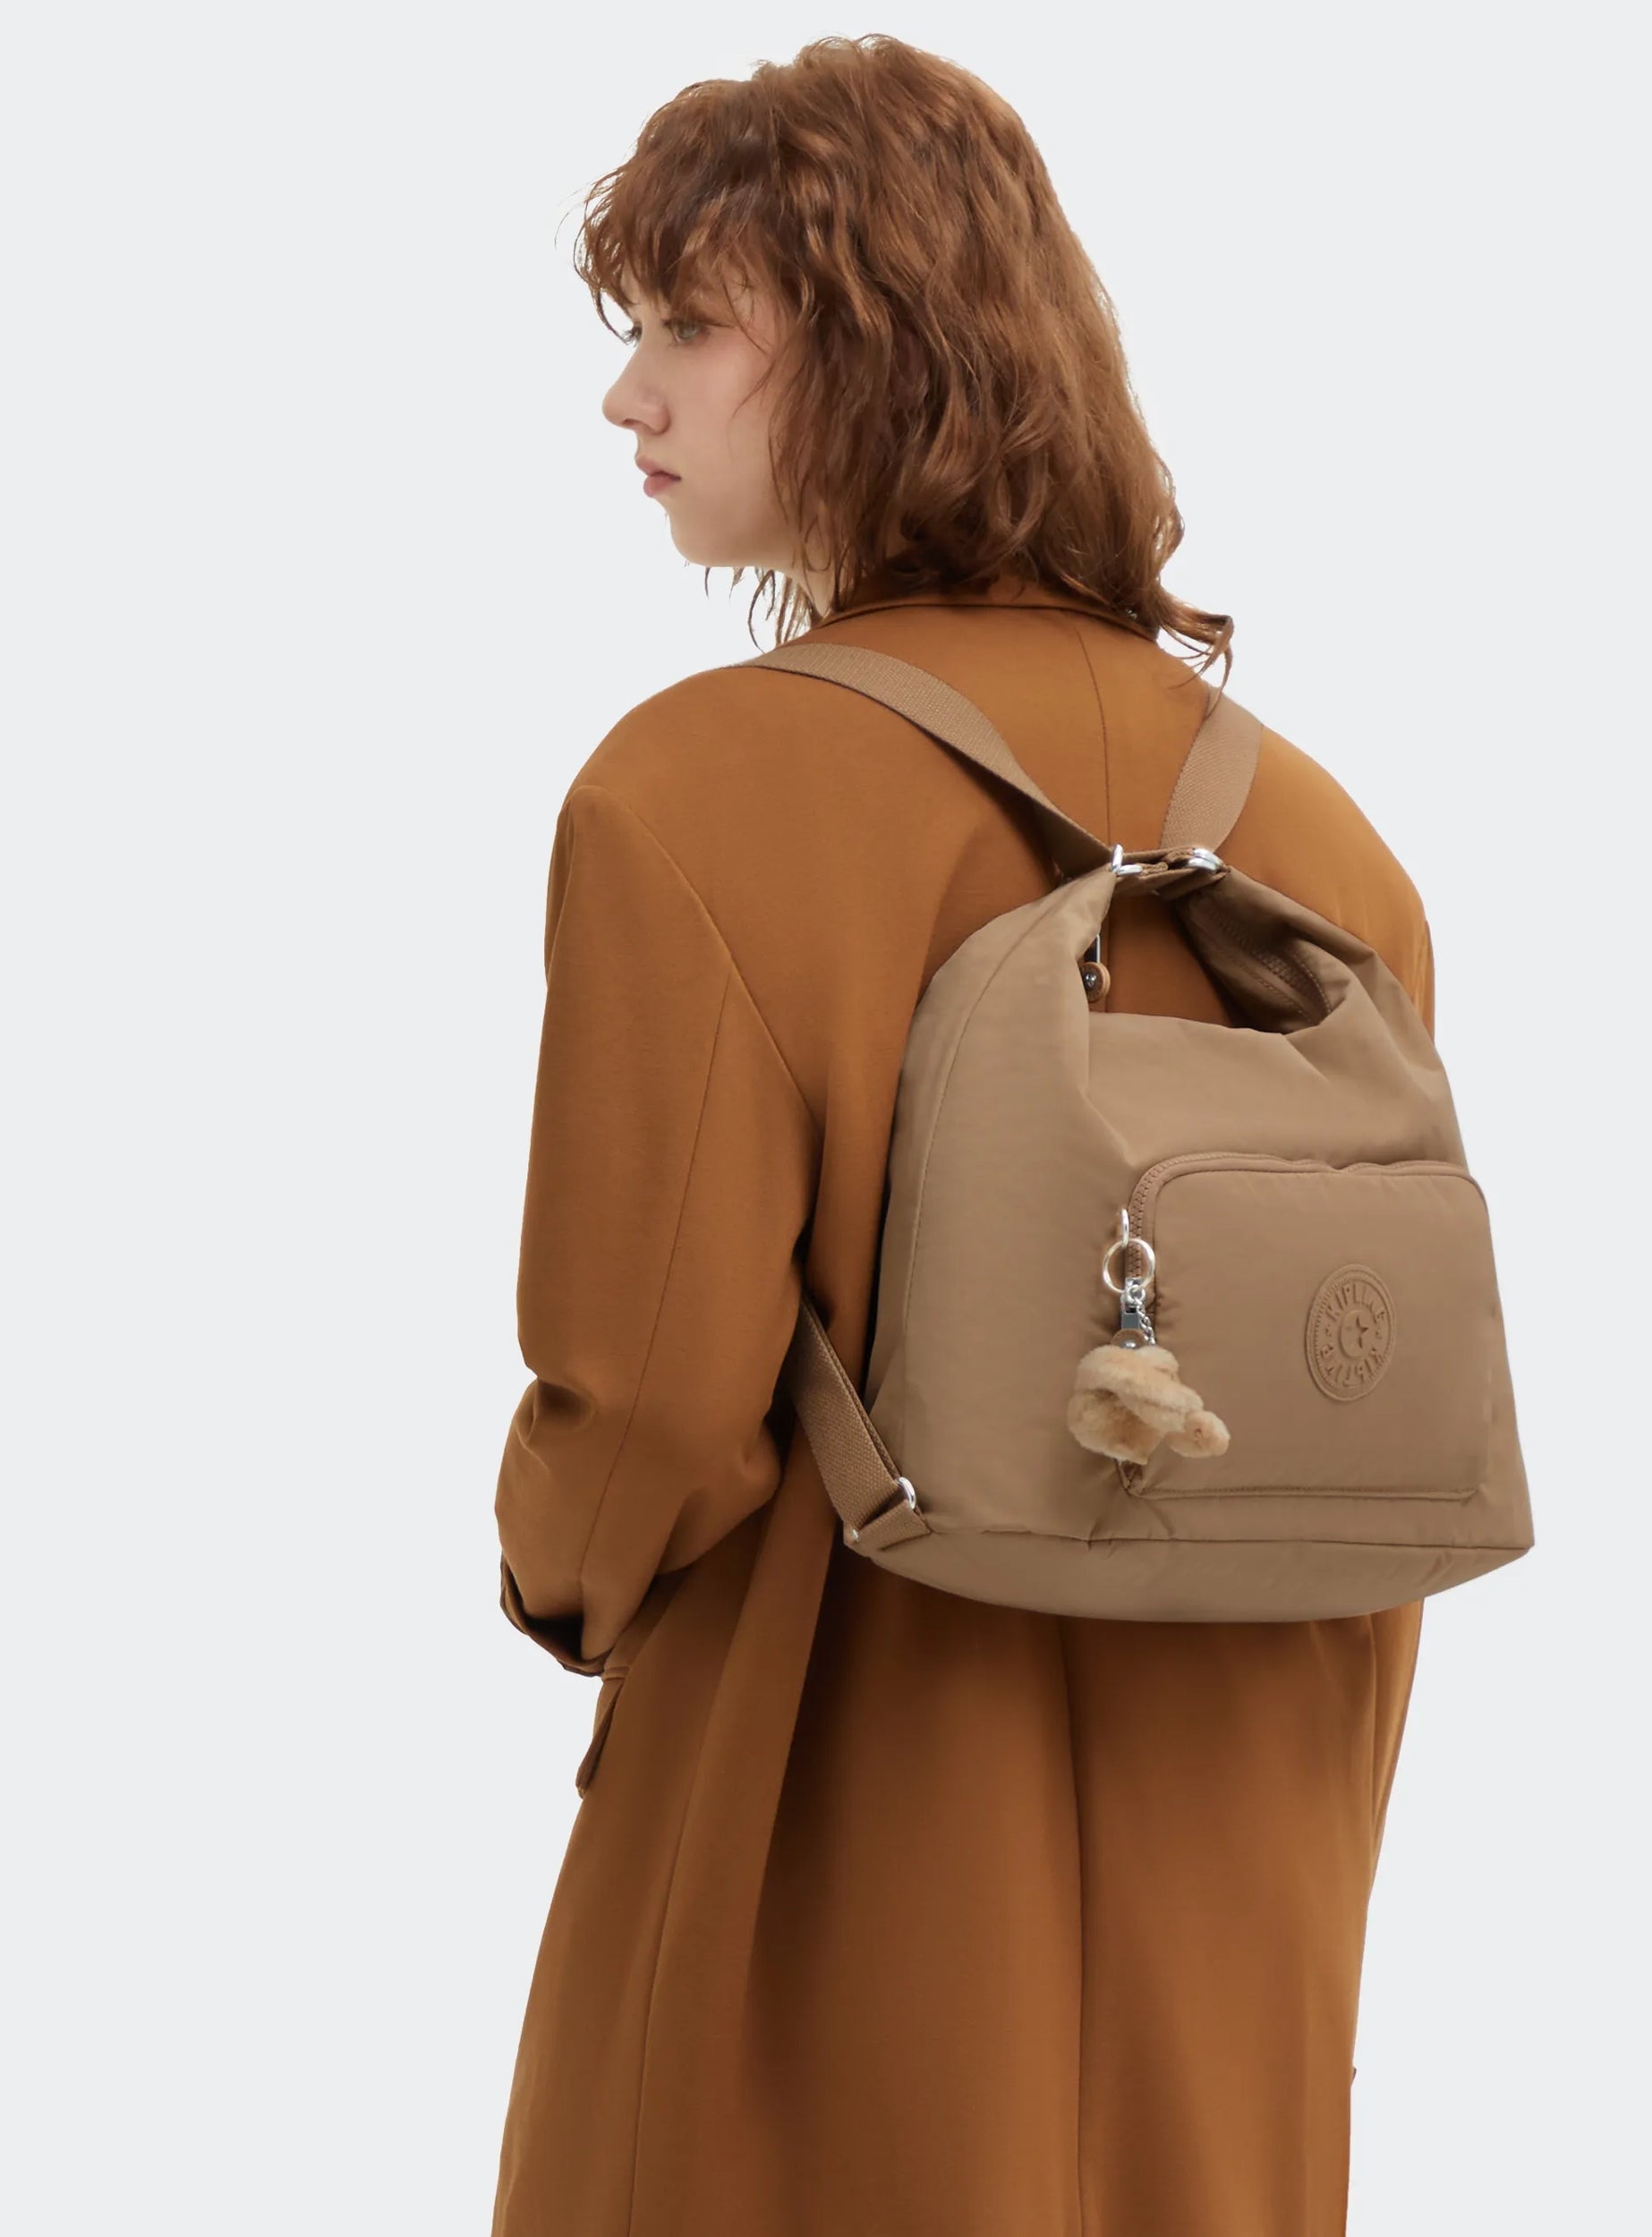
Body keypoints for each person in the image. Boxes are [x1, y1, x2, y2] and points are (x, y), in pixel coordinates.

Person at [492, 35, 1436, 2237]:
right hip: (1244, 1876)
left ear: (868, 348)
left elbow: (647, 1402)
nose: (626, 396)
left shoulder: (693, 794)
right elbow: (1373, 1420)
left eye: (686, 326)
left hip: (823, 1839)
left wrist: (551, 1577)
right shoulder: (1329, 847)